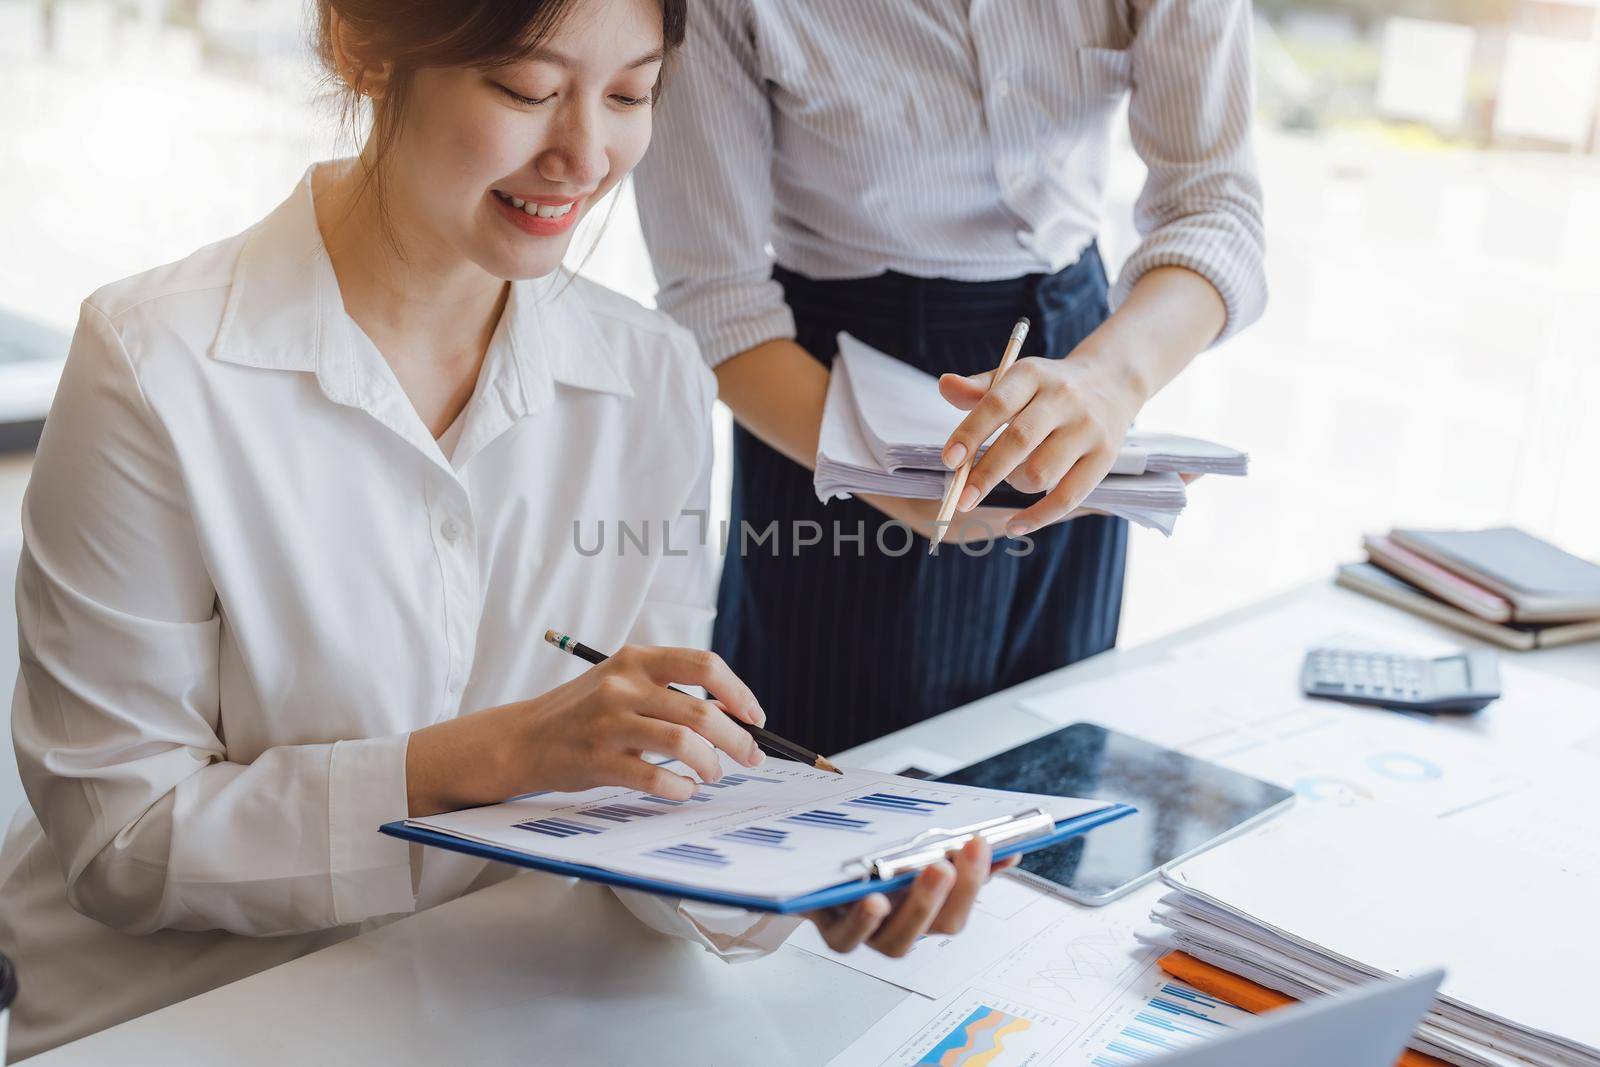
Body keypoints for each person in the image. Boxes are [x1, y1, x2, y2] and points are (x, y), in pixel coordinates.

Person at [0, 0, 1010, 1055]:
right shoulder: (154, 360)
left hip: (502, 988)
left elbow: (643, 787)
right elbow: (122, 839)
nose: (584, 153)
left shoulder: (649, 373)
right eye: (526, 90)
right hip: (186, 1013)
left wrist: (787, 885)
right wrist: (503, 753)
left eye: (630, 94)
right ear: (366, 53)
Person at [635, 2, 1267, 756]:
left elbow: (1215, 206)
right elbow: (715, 300)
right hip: (829, 399)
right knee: (835, 788)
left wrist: (1110, 380)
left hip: (1078, 367)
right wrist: (887, 477)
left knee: (1051, 761)